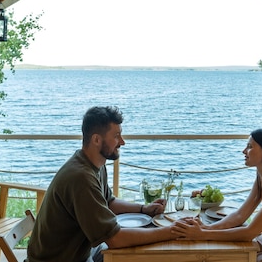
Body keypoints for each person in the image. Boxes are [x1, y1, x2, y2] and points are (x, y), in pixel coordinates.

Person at [27, 106, 180, 262]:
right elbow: (115, 239)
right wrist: (172, 231)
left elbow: (109, 202)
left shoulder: (94, 165)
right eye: (116, 136)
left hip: (83, 252)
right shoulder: (81, 177)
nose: (122, 142)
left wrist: (143, 209)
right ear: (96, 140)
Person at [172, 128, 262, 262]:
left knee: (235, 258)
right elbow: (241, 215)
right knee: (228, 253)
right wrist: (206, 228)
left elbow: (249, 233)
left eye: (250, 147)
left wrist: (202, 235)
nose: (244, 151)